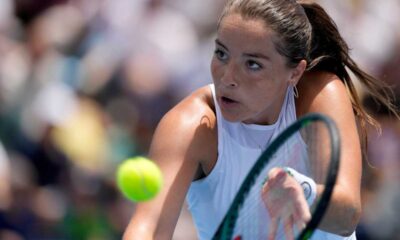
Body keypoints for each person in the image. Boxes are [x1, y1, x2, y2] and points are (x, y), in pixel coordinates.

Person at [123, 0, 398, 239]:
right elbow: (148, 228)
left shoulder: (320, 94)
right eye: (221, 53)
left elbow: (347, 213)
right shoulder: (189, 125)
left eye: (252, 64)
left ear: (295, 72)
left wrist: (304, 192)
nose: (227, 78)